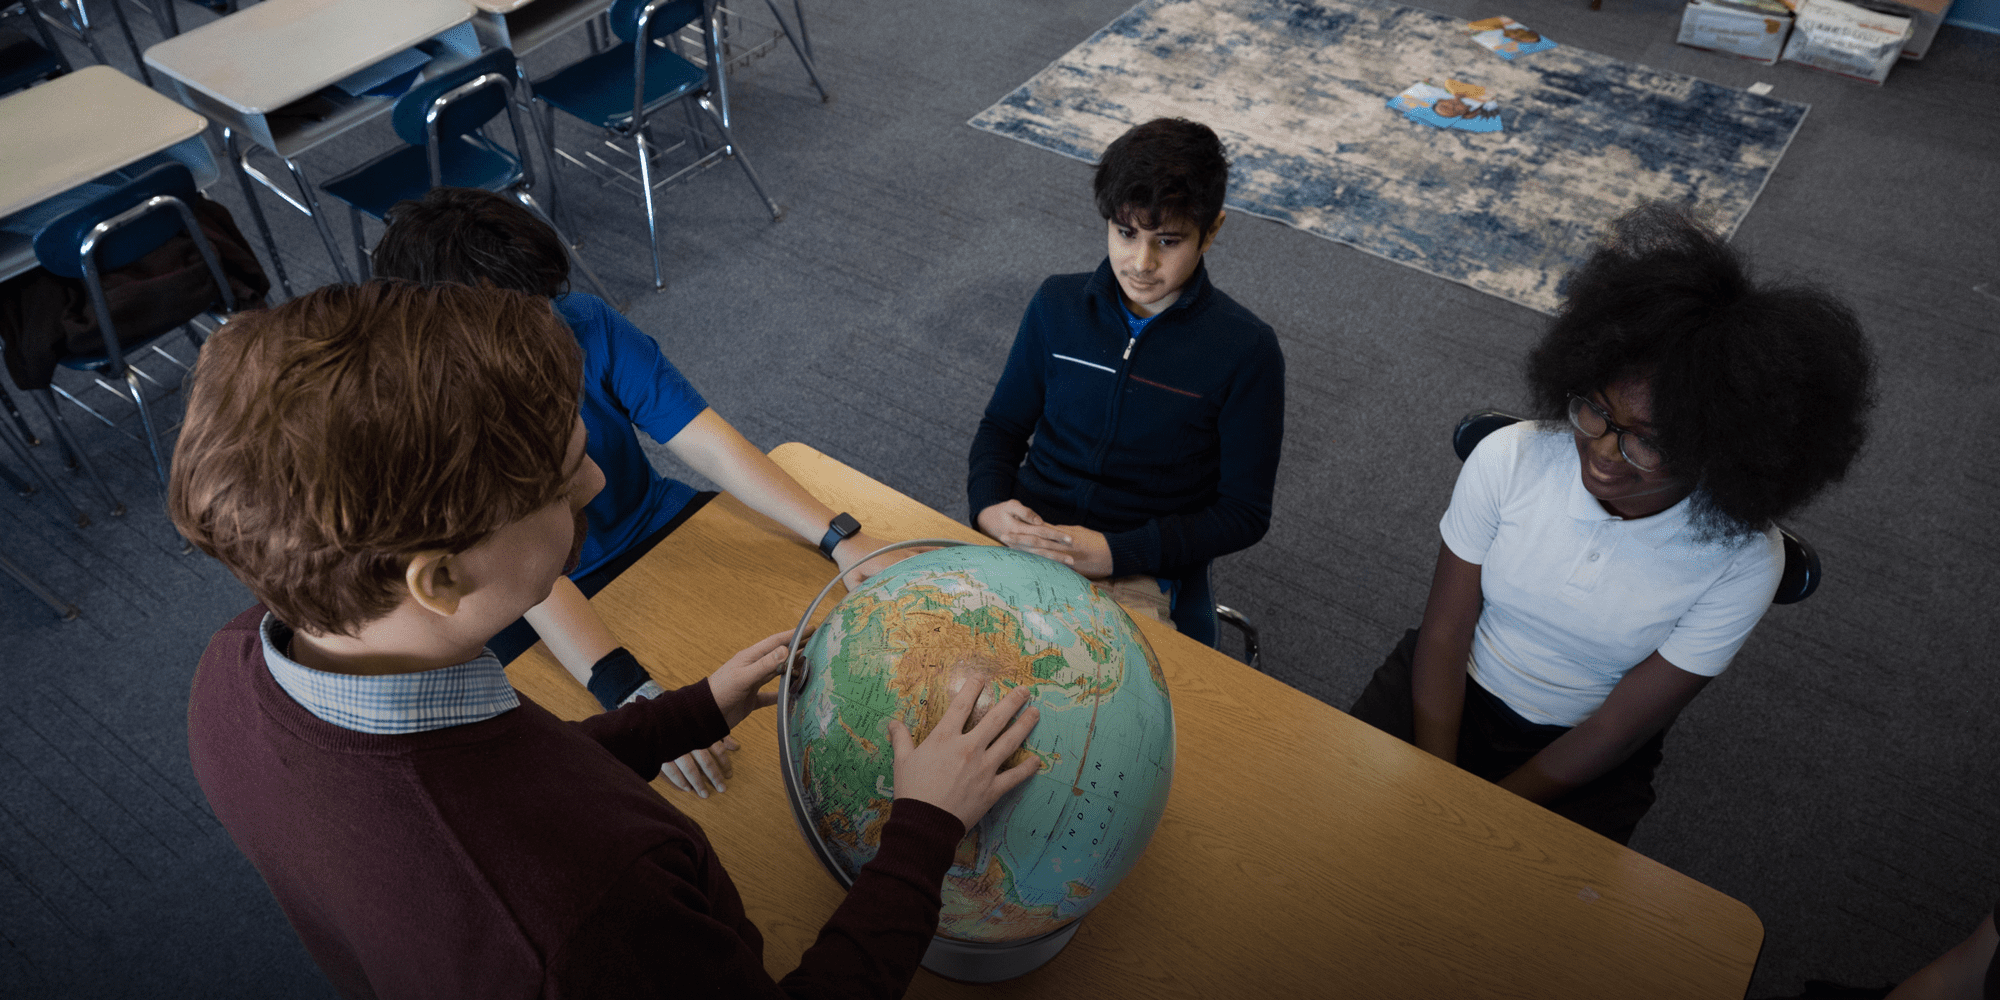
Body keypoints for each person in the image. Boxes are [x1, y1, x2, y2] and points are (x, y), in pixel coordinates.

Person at [169, 281, 1042, 999]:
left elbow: (515, 776)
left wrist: (686, 712)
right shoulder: (583, 916)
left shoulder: (234, 669)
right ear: (438, 580)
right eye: (558, 484)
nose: (596, 479)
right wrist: (925, 828)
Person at [1349, 203, 1875, 845]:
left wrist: (1483, 820)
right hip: (1443, 689)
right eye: (1595, 412)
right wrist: (1439, 783)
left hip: (1581, 751)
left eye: (1647, 443)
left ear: (1722, 453)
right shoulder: (1511, 457)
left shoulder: (1744, 562)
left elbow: (1617, 729)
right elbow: (1445, 632)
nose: (1601, 453)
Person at [370, 187, 912, 797]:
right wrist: (629, 691)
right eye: (524, 323)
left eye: (548, 304)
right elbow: (521, 576)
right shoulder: (428, 416)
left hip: (657, 524)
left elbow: (708, 442)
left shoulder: (582, 320)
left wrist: (841, 536)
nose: (550, 327)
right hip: (539, 598)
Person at [967, 117, 1285, 646]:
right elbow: (1001, 426)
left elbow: (1243, 513)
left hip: (1134, 564)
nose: (1141, 262)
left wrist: (1118, 551)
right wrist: (988, 504)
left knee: (1093, 712)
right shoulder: (1056, 304)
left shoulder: (1246, 350)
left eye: (1168, 240)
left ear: (1213, 230)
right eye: (1125, 233)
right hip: (1027, 535)